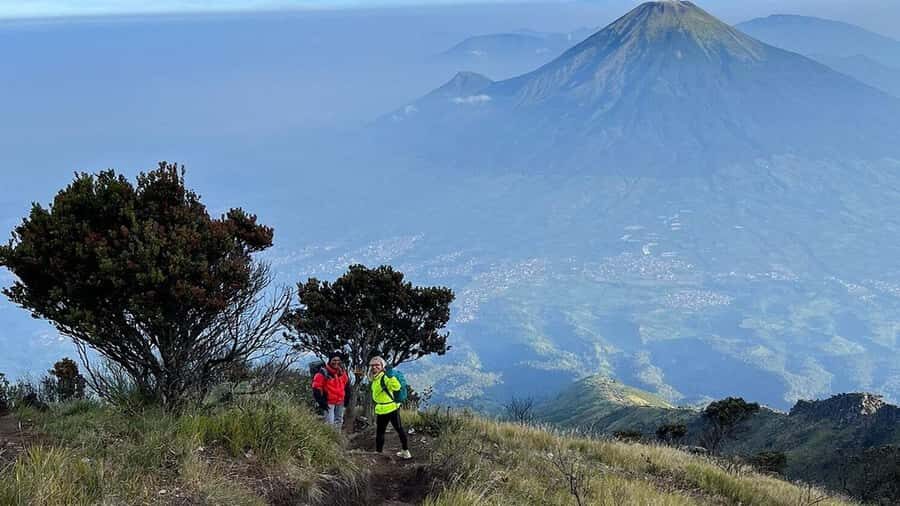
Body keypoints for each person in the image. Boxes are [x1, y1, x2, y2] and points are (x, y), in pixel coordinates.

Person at [369, 356, 411, 459]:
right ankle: (380, 452)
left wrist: (391, 376)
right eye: (372, 365)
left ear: (382, 366)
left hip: (391, 408)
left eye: (377, 365)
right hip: (382, 408)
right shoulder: (375, 377)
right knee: (382, 431)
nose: (374, 367)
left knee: (398, 429)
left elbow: (396, 387)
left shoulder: (385, 377)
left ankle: (405, 451)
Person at [312, 353, 349, 429]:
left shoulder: (342, 372)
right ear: (330, 361)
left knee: (339, 421)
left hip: (340, 401)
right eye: (334, 360)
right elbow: (316, 387)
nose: (336, 362)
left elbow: (346, 386)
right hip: (328, 402)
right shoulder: (323, 373)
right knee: (329, 423)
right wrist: (321, 402)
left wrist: (347, 398)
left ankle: (337, 439)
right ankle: (330, 439)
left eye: (338, 360)